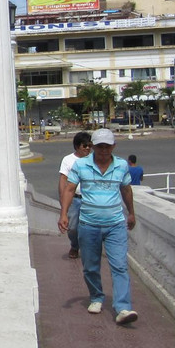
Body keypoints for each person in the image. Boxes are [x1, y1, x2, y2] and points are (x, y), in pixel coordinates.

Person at [58, 128, 138, 325]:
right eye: (100, 146)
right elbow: (69, 189)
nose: (103, 150)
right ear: (93, 146)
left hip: (115, 224)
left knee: (119, 265)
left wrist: (131, 213)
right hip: (89, 224)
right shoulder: (81, 165)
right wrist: (64, 213)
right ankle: (96, 296)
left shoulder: (121, 165)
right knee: (90, 266)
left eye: (107, 146)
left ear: (113, 146)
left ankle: (123, 307)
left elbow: (126, 190)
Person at [58, 131, 93, 259]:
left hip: (90, 199)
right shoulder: (68, 160)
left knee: (90, 228)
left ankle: (89, 250)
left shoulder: (94, 159)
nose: (88, 148)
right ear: (77, 146)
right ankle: (74, 246)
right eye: (85, 146)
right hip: (74, 199)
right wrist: (63, 202)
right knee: (73, 227)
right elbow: (63, 180)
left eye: (90, 145)